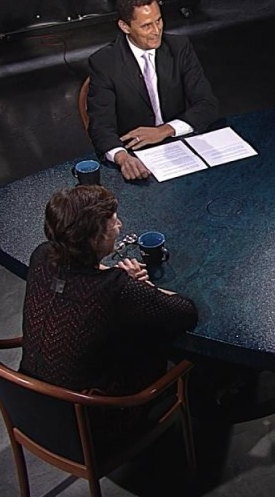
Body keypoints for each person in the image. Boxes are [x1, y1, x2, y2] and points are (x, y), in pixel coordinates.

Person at [19, 185, 198, 445]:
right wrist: (142, 287)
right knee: (166, 344)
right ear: (94, 238)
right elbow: (186, 312)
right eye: (113, 222)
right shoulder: (116, 291)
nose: (120, 225)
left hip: (31, 406)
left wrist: (118, 279)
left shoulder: (43, 254)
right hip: (91, 426)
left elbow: (83, 279)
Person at [86, 0, 220, 180]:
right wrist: (123, 158)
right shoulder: (104, 63)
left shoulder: (179, 47)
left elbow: (207, 104)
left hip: (177, 142)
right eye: (146, 25)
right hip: (135, 156)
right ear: (125, 27)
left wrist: (164, 131)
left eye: (159, 21)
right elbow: (100, 125)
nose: (156, 31)